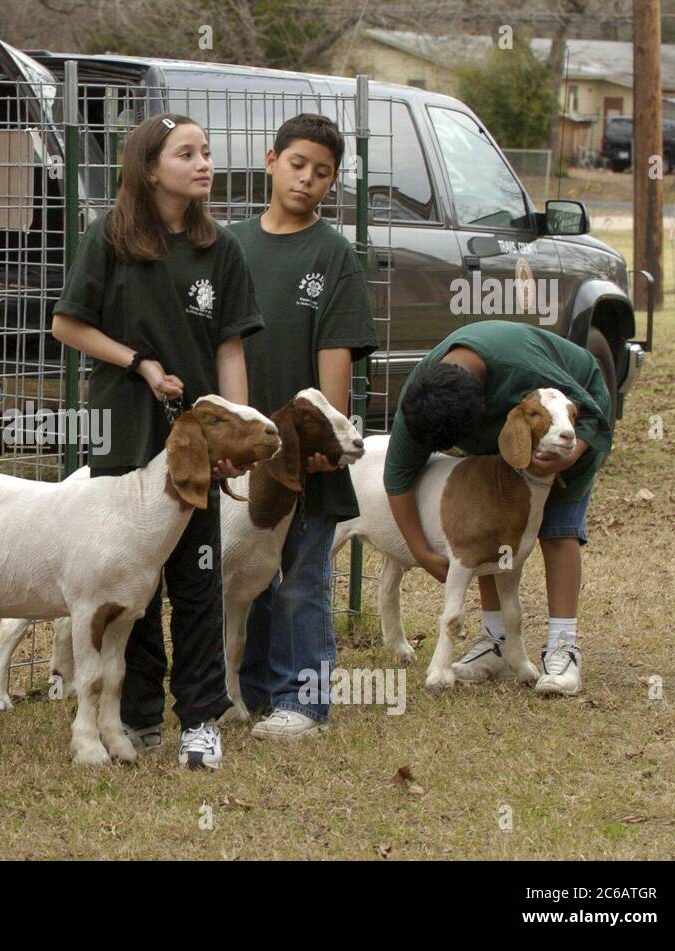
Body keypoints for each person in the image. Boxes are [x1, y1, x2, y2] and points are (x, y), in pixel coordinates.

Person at [51, 113, 265, 769]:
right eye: (187, 153)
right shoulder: (109, 239)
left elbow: (229, 344)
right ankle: (137, 715)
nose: (204, 163)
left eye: (207, 151)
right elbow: (67, 324)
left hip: (196, 445)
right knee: (127, 584)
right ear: (149, 168)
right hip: (124, 432)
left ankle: (200, 719)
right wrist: (137, 361)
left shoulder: (220, 249)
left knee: (198, 580)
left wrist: (237, 425)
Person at [230, 113, 378, 739]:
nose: (308, 180)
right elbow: (219, 340)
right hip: (242, 447)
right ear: (270, 161)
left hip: (302, 450)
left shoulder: (333, 253)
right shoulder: (230, 244)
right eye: (298, 165)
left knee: (303, 575)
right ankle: (254, 688)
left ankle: (304, 701)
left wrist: (326, 441)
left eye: (323, 173)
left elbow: (336, 352)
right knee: (249, 576)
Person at [385, 320, 612, 695]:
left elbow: (596, 409)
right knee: (490, 525)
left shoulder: (525, 369)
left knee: (557, 529)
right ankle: (494, 641)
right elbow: (397, 478)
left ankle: (562, 648)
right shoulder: (422, 399)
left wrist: (569, 458)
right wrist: (421, 552)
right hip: (513, 429)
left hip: (574, 419)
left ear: (486, 406)